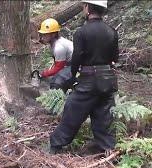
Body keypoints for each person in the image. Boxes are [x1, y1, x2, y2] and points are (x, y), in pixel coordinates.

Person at [49, 0, 119, 154]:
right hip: (108, 80)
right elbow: (115, 57)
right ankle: (108, 149)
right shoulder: (112, 31)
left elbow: (77, 59)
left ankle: (55, 146)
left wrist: (73, 76)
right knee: (103, 114)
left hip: (89, 80)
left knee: (73, 110)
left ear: (88, 8)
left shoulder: (81, 32)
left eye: (84, 6)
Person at [37, 18, 74, 93]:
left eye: (45, 34)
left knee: (56, 82)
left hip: (80, 66)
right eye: (42, 34)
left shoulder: (58, 47)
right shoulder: (55, 43)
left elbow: (58, 68)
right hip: (72, 64)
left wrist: (44, 74)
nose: (43, 36)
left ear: (53, 34)